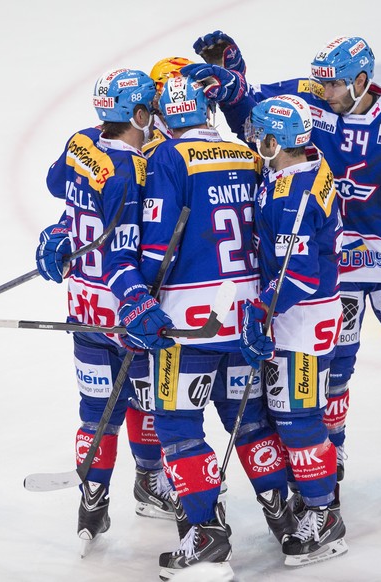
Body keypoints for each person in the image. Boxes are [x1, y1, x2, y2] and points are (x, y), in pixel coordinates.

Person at [183, 33, 381, 482]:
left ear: (361, 81)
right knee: (335, 364)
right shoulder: (311, 99)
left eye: (333, 86)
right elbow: (256, 107)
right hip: (333, 264)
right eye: (321, 83)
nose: (322, 92)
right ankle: (333, 448)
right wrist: (232, 82)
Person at [122, 74, 291, 581]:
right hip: (244, 315)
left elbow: (156, 245)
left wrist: (137, 300)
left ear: (164, 119)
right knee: (252, 419)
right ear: (207, 112)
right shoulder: (246, 152)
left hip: (185, 323)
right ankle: (283, 513)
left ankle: (206, 532)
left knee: (176, 424)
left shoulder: (166, 159)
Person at [35, 68, 175, 555]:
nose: (156, 119)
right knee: (145, 402)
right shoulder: (135, 170)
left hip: (82, 305)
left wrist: (60, 231)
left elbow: (59, 186)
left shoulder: (80, 141)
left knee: (96, 408)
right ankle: (150, 480)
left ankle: (92, 498)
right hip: (123, 308)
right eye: (150, 111)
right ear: (138, 114)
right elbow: (126, 249)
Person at [238, 95, 348, 566]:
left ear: (275, 140)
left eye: (257, 133)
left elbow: (297, 274)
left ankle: (325, 515)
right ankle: (313, 498)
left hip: (301, 319)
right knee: (288, 416)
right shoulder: (297, 170)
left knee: (297, 419)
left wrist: (262, 309)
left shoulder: (294, 194)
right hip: (302, 315)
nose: (250, 140)